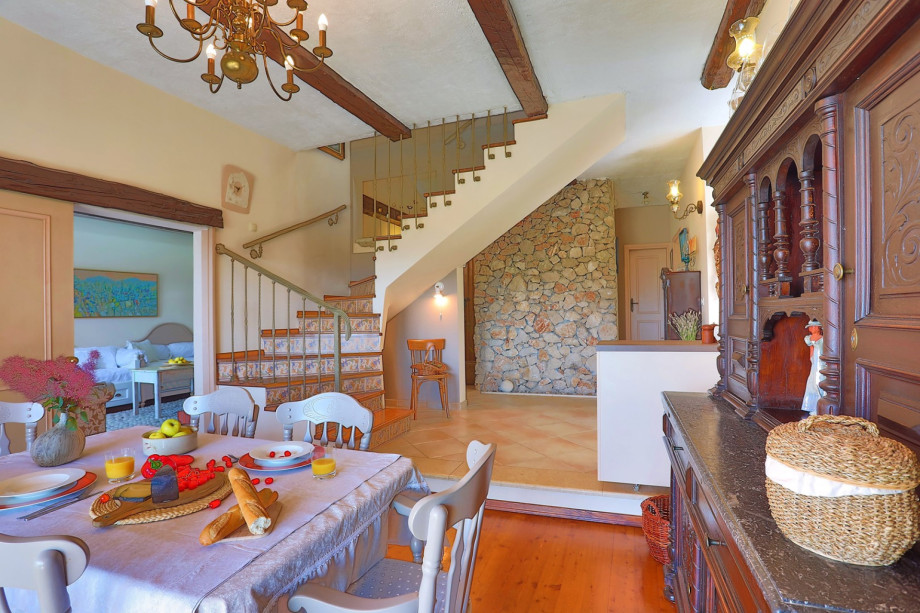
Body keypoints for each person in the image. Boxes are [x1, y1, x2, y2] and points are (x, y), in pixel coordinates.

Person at [801, 319, 826, 414]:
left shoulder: (823, 338)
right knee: (813, 381)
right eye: (810, 327)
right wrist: (812, 359)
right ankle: (814, 406)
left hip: (822, 362)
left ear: (818, 327)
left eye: (813, 326)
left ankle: (822, 405)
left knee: (820, 379)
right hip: (815, 362)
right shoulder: (809, 338)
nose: (811, 328)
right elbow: (811, 350)